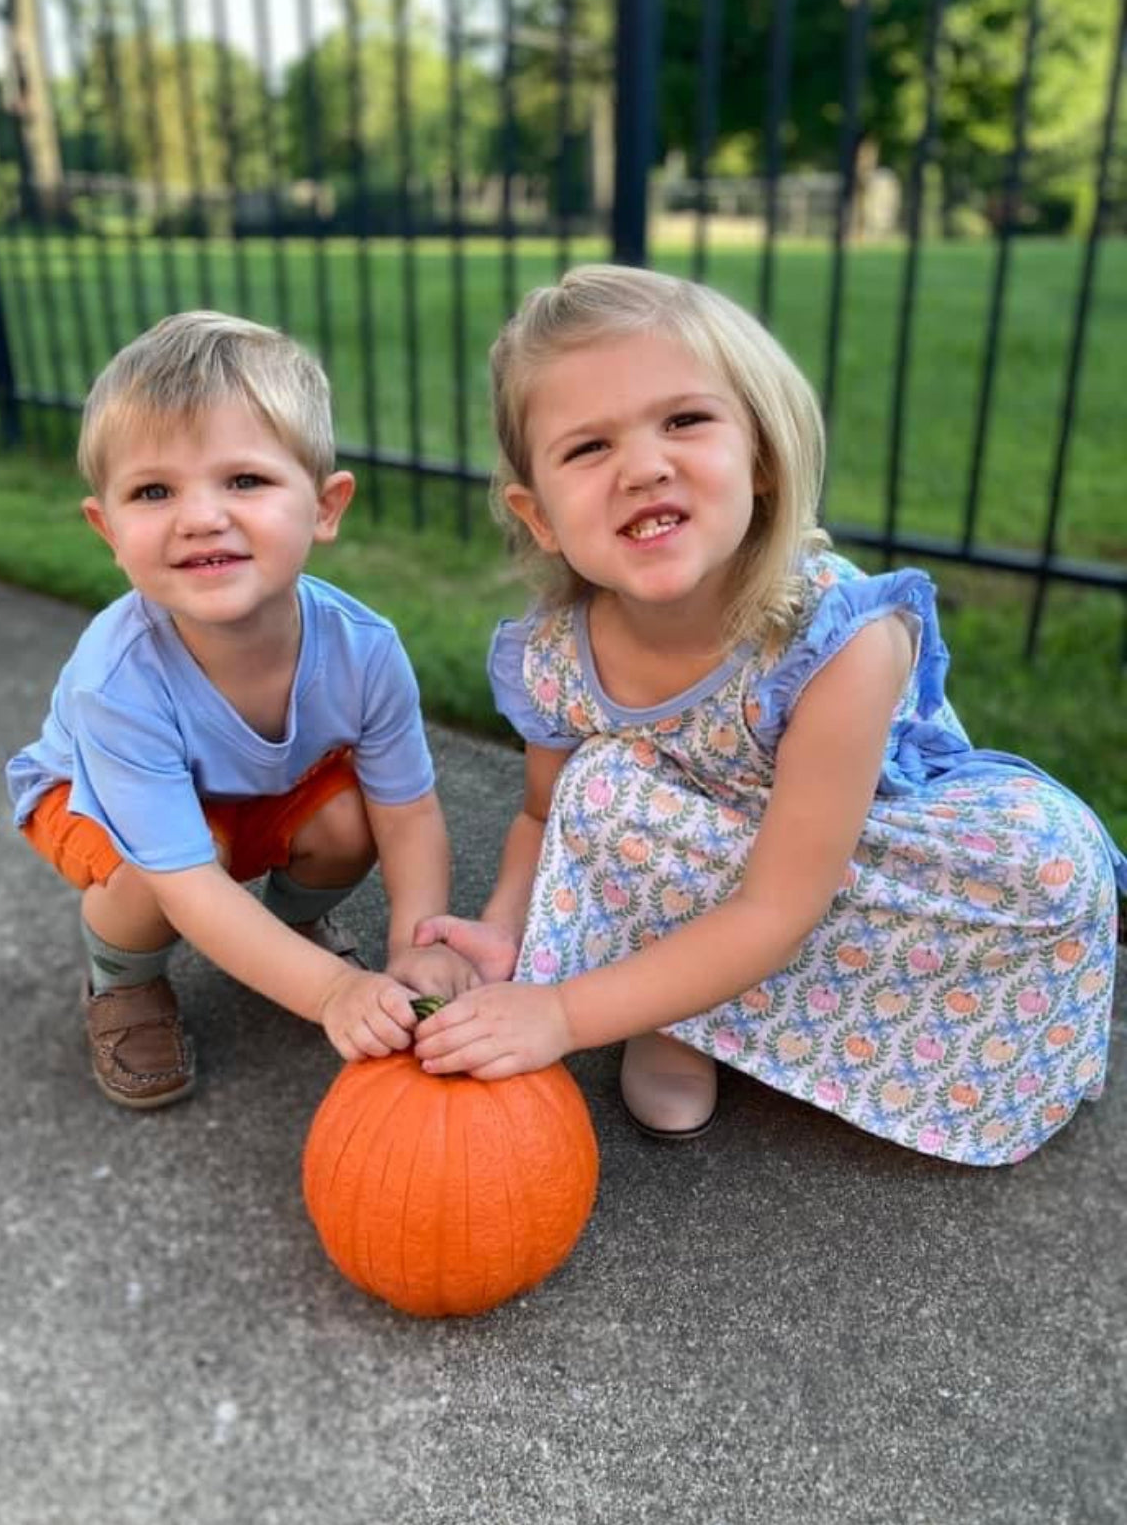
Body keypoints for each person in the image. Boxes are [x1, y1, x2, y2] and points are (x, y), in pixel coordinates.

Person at [412, 263, 1125, 1166]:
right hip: (718, 859)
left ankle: (698, 1003)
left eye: (683, 420)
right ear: (539, 514)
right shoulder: (555, 655)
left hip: (868, 856)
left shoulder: (838, 641)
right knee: (599, 791)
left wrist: (561, 1010)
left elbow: (783, 900)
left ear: (757, 452)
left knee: (1047, 865)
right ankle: (675, 1011)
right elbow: (543, 816)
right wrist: (506, 933)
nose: (641, 465)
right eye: (586, 449)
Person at [7, 312, 473, 1109]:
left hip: (246, 791)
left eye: (244, 480)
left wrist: (416, 943)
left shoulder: (364, 649)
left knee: (351, 821)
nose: (199, 517)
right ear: (107, 528)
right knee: (172, 873)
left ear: (325, 507)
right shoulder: (116, 679)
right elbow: (187, 879)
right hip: (89, 802)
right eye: (153, 491)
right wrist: (332, 993)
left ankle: (286, 934)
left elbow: (408, 809)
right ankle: (121, 983)